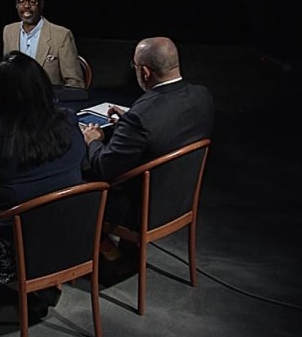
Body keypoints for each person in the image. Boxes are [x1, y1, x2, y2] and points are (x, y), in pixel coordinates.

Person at [0, 51, 86, 311]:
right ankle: (46, 280)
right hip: (74, 238)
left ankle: (27, 283)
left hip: (15, 251)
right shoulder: (69, 120)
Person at [81, 37, 215, 263]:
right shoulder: (202, 96)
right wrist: (127, 127)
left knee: (78, 181)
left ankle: (104, 255)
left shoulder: (142, 116)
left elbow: (104, 167)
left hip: (141, 208)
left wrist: (93, 140)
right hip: (180, 199)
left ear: (144, 71)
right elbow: (169, 129)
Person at [0, 0, 85, 89]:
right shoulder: (9, 31)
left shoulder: (61, 36)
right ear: (16, 5)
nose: (26, 6)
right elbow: (9, 70)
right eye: (21, 1)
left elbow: (75, 84)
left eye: (32, 1)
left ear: (41, 4)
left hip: (46, 103)